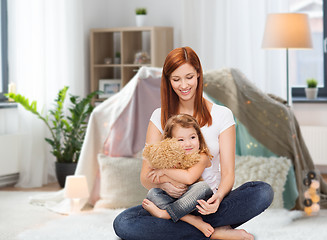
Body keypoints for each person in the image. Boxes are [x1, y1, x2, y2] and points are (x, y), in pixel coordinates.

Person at [113, 46, 274, 240]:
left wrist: (218, 198)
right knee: (123, 223)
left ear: (198, 74)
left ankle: (193, 226)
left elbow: (229, 173)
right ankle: (214, 232)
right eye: (176, 79)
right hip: (173, 203)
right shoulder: (159, 117)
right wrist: (164, 185)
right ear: (167, 81)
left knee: (262, 192)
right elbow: (146, 177)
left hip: (209, 203)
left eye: (189, 77)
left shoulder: (222, 115)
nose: (183, 85)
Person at [143, 113, 214, 237]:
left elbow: (189, 178)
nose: (188, 144)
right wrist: (165, 182)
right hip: (177, 204)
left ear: (199, 137)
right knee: (152, 193)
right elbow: (151, 177)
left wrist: (164, 172)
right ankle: (189, 219)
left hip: (198, 204)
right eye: (180, 140)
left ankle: (165, 214)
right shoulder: (169, 158)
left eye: (192, 137)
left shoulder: (202, 156)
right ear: (170, 142)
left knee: (202, 186)